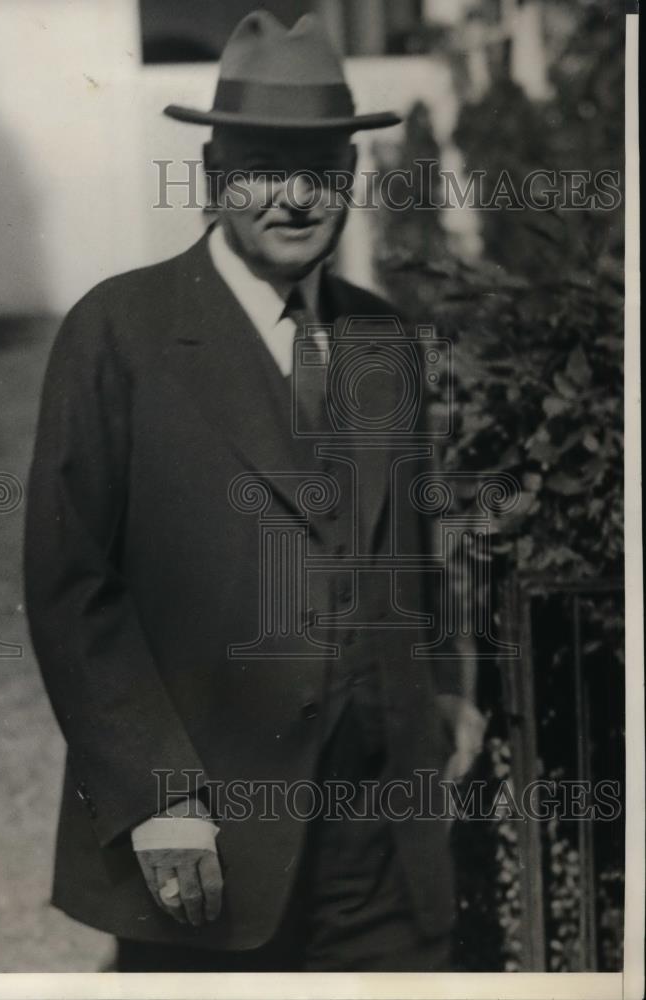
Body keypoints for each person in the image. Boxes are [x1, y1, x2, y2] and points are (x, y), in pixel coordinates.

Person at [25, 10, 486, 973]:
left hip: (383, 839)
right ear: (212, 177)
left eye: (318, 169)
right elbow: (73, 587)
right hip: (211, 840)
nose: (291, 197)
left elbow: (414, 541)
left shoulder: (380, 338)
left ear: (349, 180)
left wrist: (443, 689)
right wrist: (159, 796)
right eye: (260, 167)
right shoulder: (121, 332)